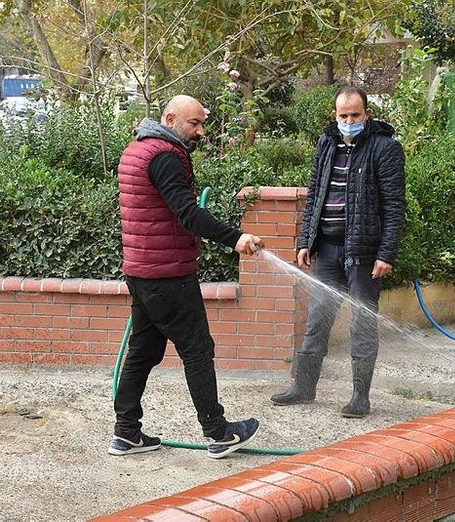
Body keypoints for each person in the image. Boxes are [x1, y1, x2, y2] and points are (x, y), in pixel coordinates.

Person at [110, 94, 264, 459]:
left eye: (202, 124)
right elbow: (187, 213)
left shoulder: (137, 149)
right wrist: (234, 238)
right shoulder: (164, 156)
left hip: (142, 271)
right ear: (170, 119)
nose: (200, 131)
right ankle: (218, 432)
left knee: (143, 351)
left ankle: (126, 433)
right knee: (197, 350)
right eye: (194, 124)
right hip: (168, 274)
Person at [270, 85, 406, 418]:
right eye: (343, 115)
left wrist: (386, 254)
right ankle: (303, 387)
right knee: (316, 320)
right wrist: (305, 241)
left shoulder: (385, 148)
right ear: (335, 115)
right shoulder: (326, 143)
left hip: (363, 252)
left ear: (367, 114)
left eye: (355, 115)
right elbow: (315, 194)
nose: (349, 121)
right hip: (328, 250)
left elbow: (394, 206)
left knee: (362, 324)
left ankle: (360, 397)